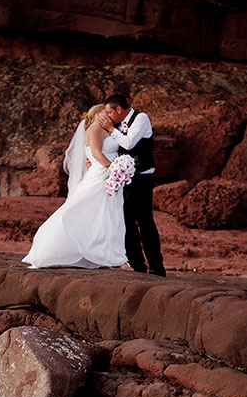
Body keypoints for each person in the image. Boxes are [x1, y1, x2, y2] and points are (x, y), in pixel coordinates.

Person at [22, 103, 128, 270]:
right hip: (102, 175)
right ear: (96, 114)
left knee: (105, 215)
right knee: (84, 210)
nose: (108, 116)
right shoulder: (94, 129)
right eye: (104, 113)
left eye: (109, 113)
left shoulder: (107, 130)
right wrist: (114, 170)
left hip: (106, 176)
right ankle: (51, 247)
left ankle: (109, 255)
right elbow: (96, 153)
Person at [96, 93, 166, 277]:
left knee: (145, 221)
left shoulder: (141, 118)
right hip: (123, 178)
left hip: (142, 178)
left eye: (110, 112)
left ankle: (157, 267)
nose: (108, 116)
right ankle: (137, 264)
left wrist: (111, 129)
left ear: (119, 110)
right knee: (126, 221)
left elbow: (128, 143)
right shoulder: (116, 124)